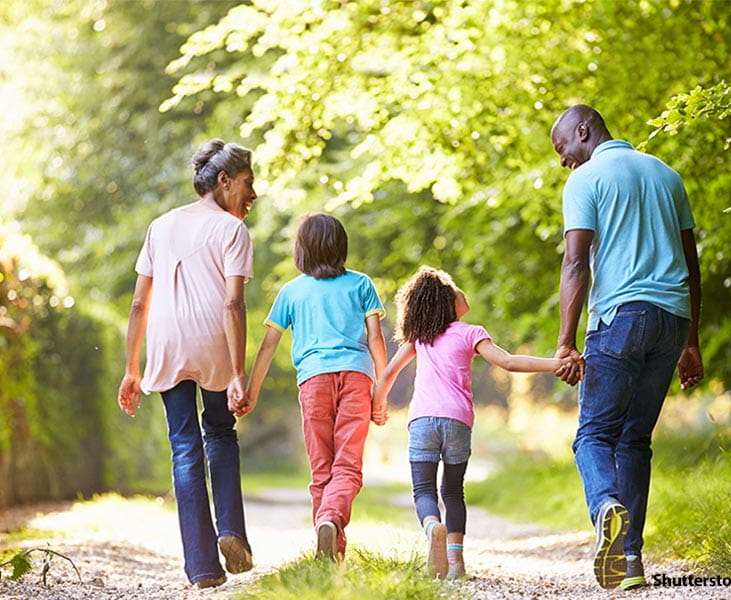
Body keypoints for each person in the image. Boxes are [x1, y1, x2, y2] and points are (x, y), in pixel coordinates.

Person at [550, 105, 704, 590]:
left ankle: (605, 508)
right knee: (635, 439)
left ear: (583, 130)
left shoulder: (586, 180)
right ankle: (630, 560)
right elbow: (691, 263)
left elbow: (576, 264)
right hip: (672, 321)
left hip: (619, 319)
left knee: (593, 435)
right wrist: (692, 341)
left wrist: (564, 341)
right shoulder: (666, 174)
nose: (562, 161)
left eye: (563, 148)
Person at [372, 266, 579, 580]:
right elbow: (508, 362)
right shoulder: (471, 332)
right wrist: (557, 364)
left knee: (424, 490)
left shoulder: (420, 340)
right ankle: (455, 563)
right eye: (454, 287)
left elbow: (387, 374)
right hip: (458, 421)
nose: (460, 291)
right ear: (447, 301)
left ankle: (432, 528)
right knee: (453, 492)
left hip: (423, 420)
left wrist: (378, 404)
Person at [117, 139, 257, 589]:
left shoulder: (160, 226)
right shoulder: (232, 231)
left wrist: (132, 368)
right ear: (224, 180)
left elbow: (140, 304)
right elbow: (233, 306)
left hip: (165, 342)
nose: (252, 196)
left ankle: (201, 567)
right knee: (219, 431)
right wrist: (238, 373)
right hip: (211, 340)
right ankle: (232, 530)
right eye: (248, 185)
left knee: (184, 446)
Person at [235, 212, 387, 560]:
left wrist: (251, 392)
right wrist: (381, 390)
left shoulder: (291, 291)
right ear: (341, 247)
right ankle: (331, 527)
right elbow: (376, 340)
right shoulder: (361, 283)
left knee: (322, 469)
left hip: (314, 381)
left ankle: (329, 549)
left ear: (302, 250)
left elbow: (268, 345)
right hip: (357, 377)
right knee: (347, 466)